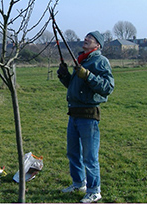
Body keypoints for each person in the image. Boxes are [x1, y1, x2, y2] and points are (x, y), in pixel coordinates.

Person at [57, 31, 114, 203]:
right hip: (73, 114)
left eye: (91, 38)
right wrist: (65, 75)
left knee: (89, 157)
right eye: (86, 36)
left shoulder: (100, 61)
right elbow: (74, 87)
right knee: (73, 153)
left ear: (97, 45)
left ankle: (94, 190)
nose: (86, 39)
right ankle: (78, 183)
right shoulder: (81, 60)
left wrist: (88, 75)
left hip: (89, 116)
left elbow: (107, 87)